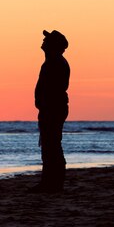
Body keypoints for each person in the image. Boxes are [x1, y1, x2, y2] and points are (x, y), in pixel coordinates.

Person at [31, 30, 70, 193]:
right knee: (49, 146)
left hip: (52, 109)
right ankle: (49, 182)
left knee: (51, 145)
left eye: (47, 39)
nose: (43, 40)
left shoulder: (56, 62)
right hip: (51, 108)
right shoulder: (53, 61)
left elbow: (53, 89)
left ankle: (53, 184)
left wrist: (45, 104)